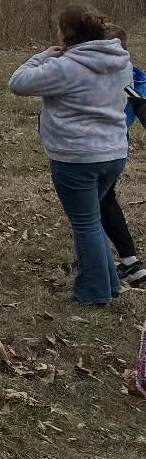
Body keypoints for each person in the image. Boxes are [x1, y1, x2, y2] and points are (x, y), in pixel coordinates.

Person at [8, 4, 132, 306]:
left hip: (76, 157)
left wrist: (42, 56)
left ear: (65, 33)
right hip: (114, 153)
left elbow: (18, 82)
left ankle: (92, 292)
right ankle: (110, 283)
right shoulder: (120, 61)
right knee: (91, 219)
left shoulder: (65, 67)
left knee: (85, 223)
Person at [104, 25, 146, 288]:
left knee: (96, 206)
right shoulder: (132, 74)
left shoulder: (120, 78)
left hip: (101, 149)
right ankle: (128, 262)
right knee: (101, 202)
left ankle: (124, 264)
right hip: (116, 148)